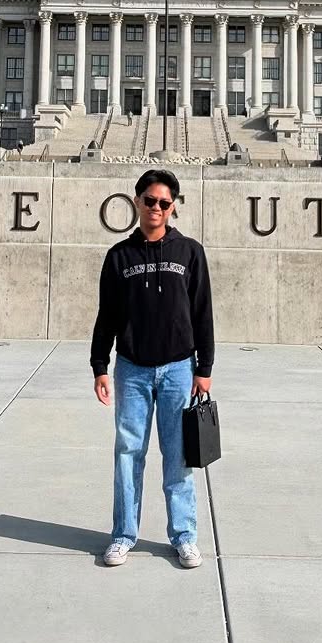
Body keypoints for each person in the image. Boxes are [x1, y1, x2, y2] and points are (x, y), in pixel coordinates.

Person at [90, 168, 215, 569]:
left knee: (178, 456)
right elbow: (107, 315)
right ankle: (123, 534)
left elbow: (202, 312)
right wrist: (99, 364)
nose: (156, 208)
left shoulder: (190, 252)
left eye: (164, 202)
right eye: (150, 200)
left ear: (173, 207)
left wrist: (204, 368)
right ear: (137, 202)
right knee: (129, 452)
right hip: (132, 369)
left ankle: (185, 536)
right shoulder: (119, 256)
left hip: (179, 369)